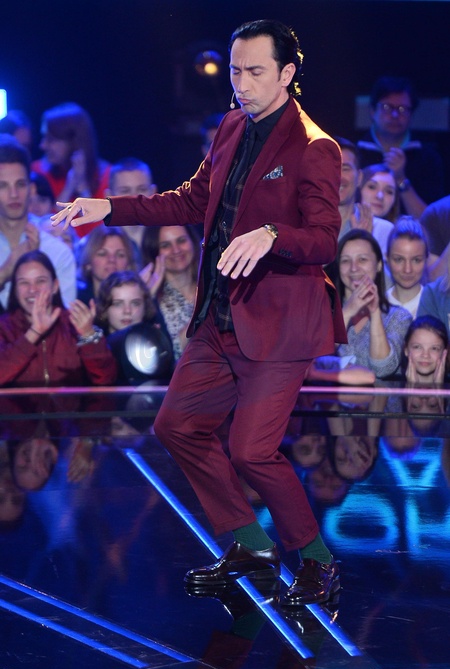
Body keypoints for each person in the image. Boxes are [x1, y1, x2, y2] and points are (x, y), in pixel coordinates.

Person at [52, 19, 347, 608]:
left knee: (251, 450)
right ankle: (251, 544)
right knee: (177, 426)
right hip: (220, 312)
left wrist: (272, 234)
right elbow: (191, 199)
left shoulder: (316, 147)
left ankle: (318, 563)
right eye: (236, 71)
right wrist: (108, 206)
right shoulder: (233, 124)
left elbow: (323, 239)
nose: (241, 84)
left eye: (255, 72)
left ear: (287, 74)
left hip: (281, 322)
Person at [0, 250, 117, 386]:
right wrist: (34, 333)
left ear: (55, 286)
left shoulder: (74, 323)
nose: (32, 290)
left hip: (70, 401)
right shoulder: (4, 327)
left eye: (40, 281)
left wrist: (88, 336)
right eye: (24, 282)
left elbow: (106, 379)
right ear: (15, 289)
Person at [0, 134, 76, 309]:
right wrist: (6, 271)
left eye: (20, 184)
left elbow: (64, 322)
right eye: (3, 186)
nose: (13, 194)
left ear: (31, 189)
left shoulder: (58, 252)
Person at [357, 76, 445, 219]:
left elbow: (433, 222)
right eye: (387, 107)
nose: (395, 114)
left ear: (412, 114)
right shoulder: (355, 152)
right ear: (372, 111)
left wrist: (401, 179)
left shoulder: (428, 158)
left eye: (403, 109)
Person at [333, 229, 412, 379]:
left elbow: (383, 368)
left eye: (362, 259)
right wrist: (347, 312)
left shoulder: (399, 317)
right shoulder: (324, 312)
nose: (354, 268)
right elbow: (314, 358)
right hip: (329, 394)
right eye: (345, 261)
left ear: (379, 265)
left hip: (381, 395)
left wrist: (375, 312)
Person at [96, 270, 174, 384]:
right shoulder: (97, 347)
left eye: (135, 303)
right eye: (118, 304)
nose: (127, 311)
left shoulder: (155, 344)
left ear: (145, 308)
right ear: (105, 309)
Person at [32, 102, 110, 208]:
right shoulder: (37, 172)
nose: (42, 145)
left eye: (51, 139)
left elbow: (99, 218)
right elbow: (45, 218)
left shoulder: (107, 176)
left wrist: (83, 188)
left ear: (74, 142)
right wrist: (69, 186)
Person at [141, 225, 200, 360]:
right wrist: (200, 314)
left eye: (181, 241)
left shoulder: (212, 287)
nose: (176, 250)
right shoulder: (153, 300)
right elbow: (166, 355)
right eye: (166, 245)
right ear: (154, 252)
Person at [334, 137, 394, 258]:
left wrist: (364, 243)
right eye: (331, 168)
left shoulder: (383, 230)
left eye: (345, 169)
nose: (339, 177)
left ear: (360, 177)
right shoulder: (303, 224)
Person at [105, 157, 157, 260]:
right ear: (108, 196)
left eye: (142, 189)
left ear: (153, 192)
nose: (134, 198)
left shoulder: (168, 238)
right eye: (125, 191)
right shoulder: (95, 244)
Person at [77, 225, 137, 304]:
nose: (112, 260)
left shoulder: (139, 301)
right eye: (102, 254)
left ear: (129, 264)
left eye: (120, 255)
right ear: (88, 263)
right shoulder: (75, 301)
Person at [385, 216, 428, 318]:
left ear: (426, 260)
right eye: (399, 260)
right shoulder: (377, 306)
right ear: (387, 259)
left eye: (416, 260)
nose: (407, 269)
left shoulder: (436, 306)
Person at [403, 315, 448, 385]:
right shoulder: (390, 389)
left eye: (434, 348)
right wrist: (411, 387)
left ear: (444, 353)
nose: (425, 355)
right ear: (406, 349)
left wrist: (438, 387)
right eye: (417, 347)